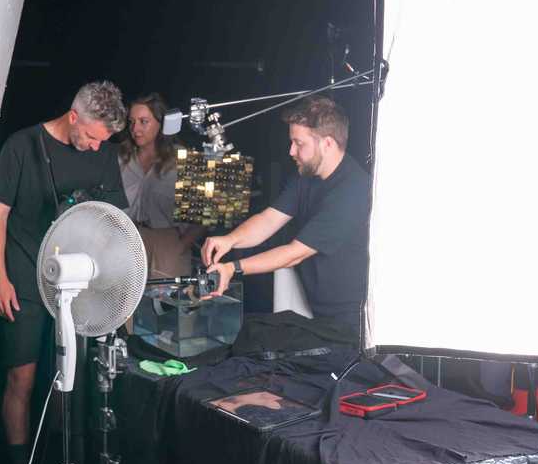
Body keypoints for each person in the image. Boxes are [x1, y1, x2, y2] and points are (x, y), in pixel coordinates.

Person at [0, 81, 128, 464]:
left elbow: (116, 218)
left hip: (80, 283)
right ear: (73, 117)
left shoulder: (102, 153)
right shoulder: (22, 146)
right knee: (22, 380)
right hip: (25, 278)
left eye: (103, 141)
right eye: (91, 136)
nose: (93, 147)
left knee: (76, 382)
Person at [200, 95, 371, 340]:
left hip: (350, 324)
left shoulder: (353, 190)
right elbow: (269, 219)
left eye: (299, 143)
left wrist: (232, 268)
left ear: (328, 144)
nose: (291, 151)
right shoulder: (305, 176)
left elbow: (294, 253)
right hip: (314, 312)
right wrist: (230, 240)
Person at [117, 92, 179, 229]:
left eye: (143, 122)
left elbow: (203, 219)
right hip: (123, 240)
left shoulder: (182, 160)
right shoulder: (119, 157)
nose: (135, 129)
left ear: (161, 123)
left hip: (167, 242)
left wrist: (180, 245)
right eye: (131, 122)